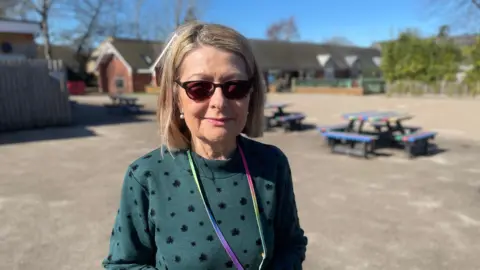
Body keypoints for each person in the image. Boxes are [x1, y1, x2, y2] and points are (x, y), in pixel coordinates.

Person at [102, 21, 308, 270]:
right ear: (176, 98)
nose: (219, 102)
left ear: (251, 95)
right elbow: (123, 264)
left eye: (235, 87)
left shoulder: (272, 164)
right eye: (199, 88)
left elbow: (291, 245)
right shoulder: (146, 176)